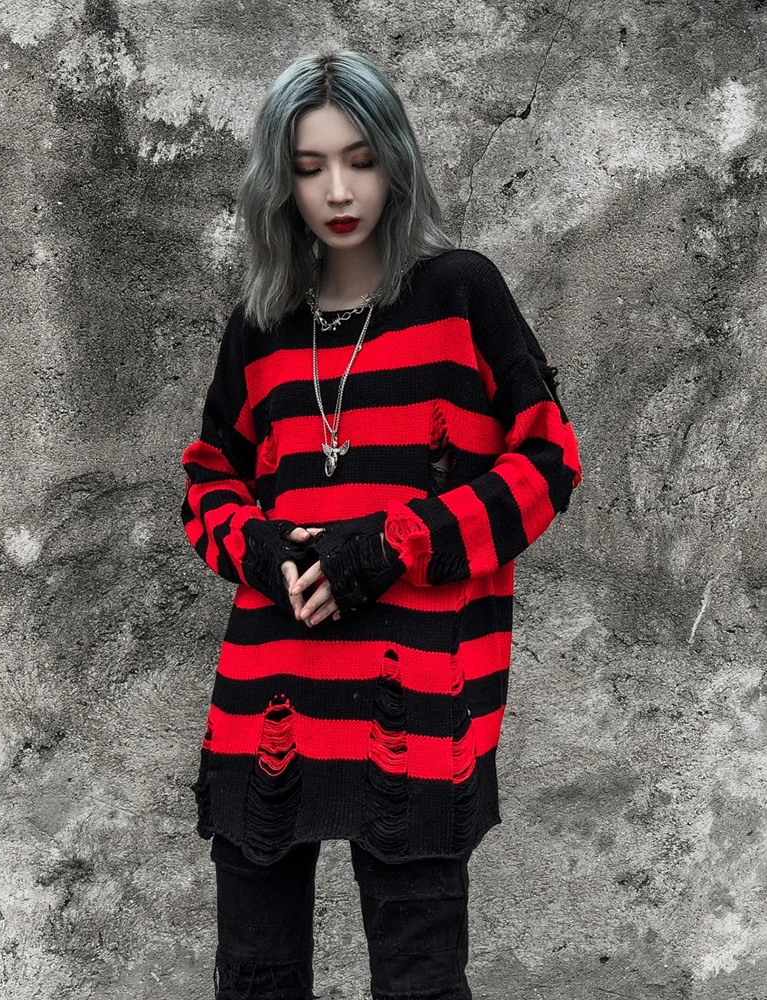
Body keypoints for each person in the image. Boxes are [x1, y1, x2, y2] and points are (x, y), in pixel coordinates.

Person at [180, 47, 583, 1000]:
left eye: (359, 160)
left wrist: (391, 546)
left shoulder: (460, 294)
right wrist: (264, 547)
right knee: (255, 980)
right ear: (280, 183)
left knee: (419, 982)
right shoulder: (262, 325)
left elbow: (547, 462)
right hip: (269, 696)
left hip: (417, 699)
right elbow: (206, 480)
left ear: (395, 160)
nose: (338, 190)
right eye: (309, 167)